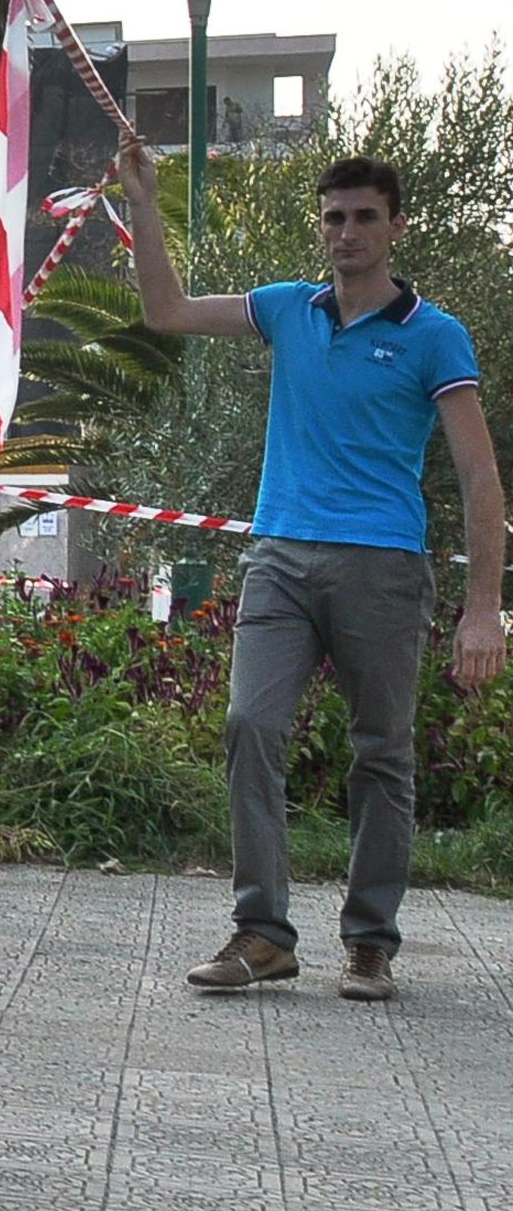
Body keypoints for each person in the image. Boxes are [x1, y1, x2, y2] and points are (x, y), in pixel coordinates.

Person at [115, 142, 503, 1002]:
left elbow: (479, 476)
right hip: (279, 558)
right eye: (333, 217)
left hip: (383, 567)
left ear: (395, 226)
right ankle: (262, 935)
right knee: (250, 724)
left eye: (365, 216)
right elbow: (166, 311)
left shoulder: (432, 336)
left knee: (381, 756)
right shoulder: (286, 309)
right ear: (319, 227)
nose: (347, 231)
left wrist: (484, 611)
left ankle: (369, 942)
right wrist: (142, 200)